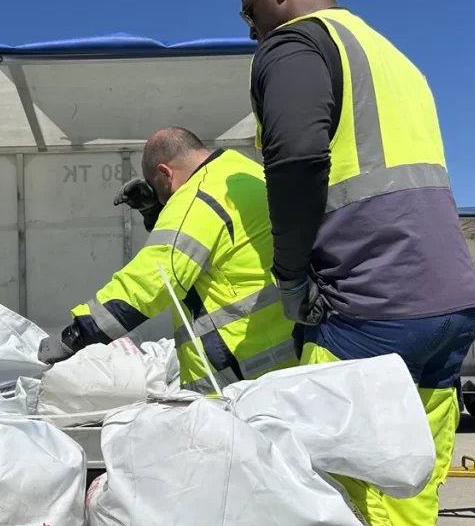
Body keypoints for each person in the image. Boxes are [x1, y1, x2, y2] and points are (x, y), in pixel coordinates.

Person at [240, 0, 475, 526]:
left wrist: (290, 273)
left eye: (248, 9)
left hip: (365, 311)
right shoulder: (393, 57)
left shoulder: (296, 45)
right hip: (445, 312)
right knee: (403, 522)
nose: (249, 27)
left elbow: (298, 155)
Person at [38, 127, 297, 389]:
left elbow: (150, 280)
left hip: (239, 377)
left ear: (165, 172)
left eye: (159, 189)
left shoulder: (197, 198)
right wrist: (157, 211)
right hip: (288, 362)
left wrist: (77, 335)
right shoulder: (244, 171)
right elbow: (212, 246)